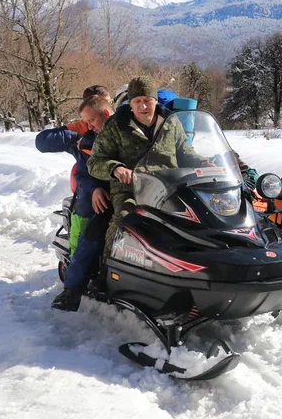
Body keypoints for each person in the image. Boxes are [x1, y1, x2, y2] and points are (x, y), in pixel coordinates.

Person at [88, 76, 205, 264]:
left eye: (147, 100)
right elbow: (94, 162)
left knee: (198, 218)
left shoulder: (171, 122)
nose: (143, 106)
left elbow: (185, 152)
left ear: (155, 101)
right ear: (131, 104)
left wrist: (206, 163)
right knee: (124, 220)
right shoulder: (116, 126)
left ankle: (192, 265)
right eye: (138, 101)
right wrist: (116, 169)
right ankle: (107, 269)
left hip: (170, 188)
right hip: (131, 190)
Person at [51, 95, 115, 311]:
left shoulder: (129, 128)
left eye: (91, 121)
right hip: (106, 195)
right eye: (86, 122)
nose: (88, 126)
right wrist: (95, 189)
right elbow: (83, 174)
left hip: (143, 190)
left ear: (105, 114)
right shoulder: (89, 140)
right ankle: (72, 289)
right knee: (94, 232)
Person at [36, 86, 111, 254]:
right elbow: (42, 141)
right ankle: (77, 255)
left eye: (109, 103)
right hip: (89, 183)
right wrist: (77, 138)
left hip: (117, 183)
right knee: (85, 212)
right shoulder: (85, 126)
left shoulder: (118, 118)